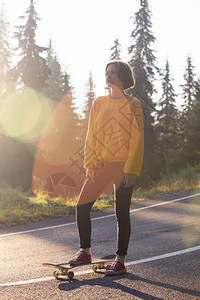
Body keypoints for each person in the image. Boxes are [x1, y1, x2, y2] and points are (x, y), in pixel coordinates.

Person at [68, 60, 144, 276]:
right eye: (107, 72)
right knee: (82, 206)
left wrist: (132, 170)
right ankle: (85, 251)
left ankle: (119, 261)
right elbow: (90, 136)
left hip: (122, 168)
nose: (108, 76)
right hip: (100, 165)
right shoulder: (98, 103)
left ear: (123, 77)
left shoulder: (134, 104)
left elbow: (137, 140)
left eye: (112, 73)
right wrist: (89, 165)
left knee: (122, 213)